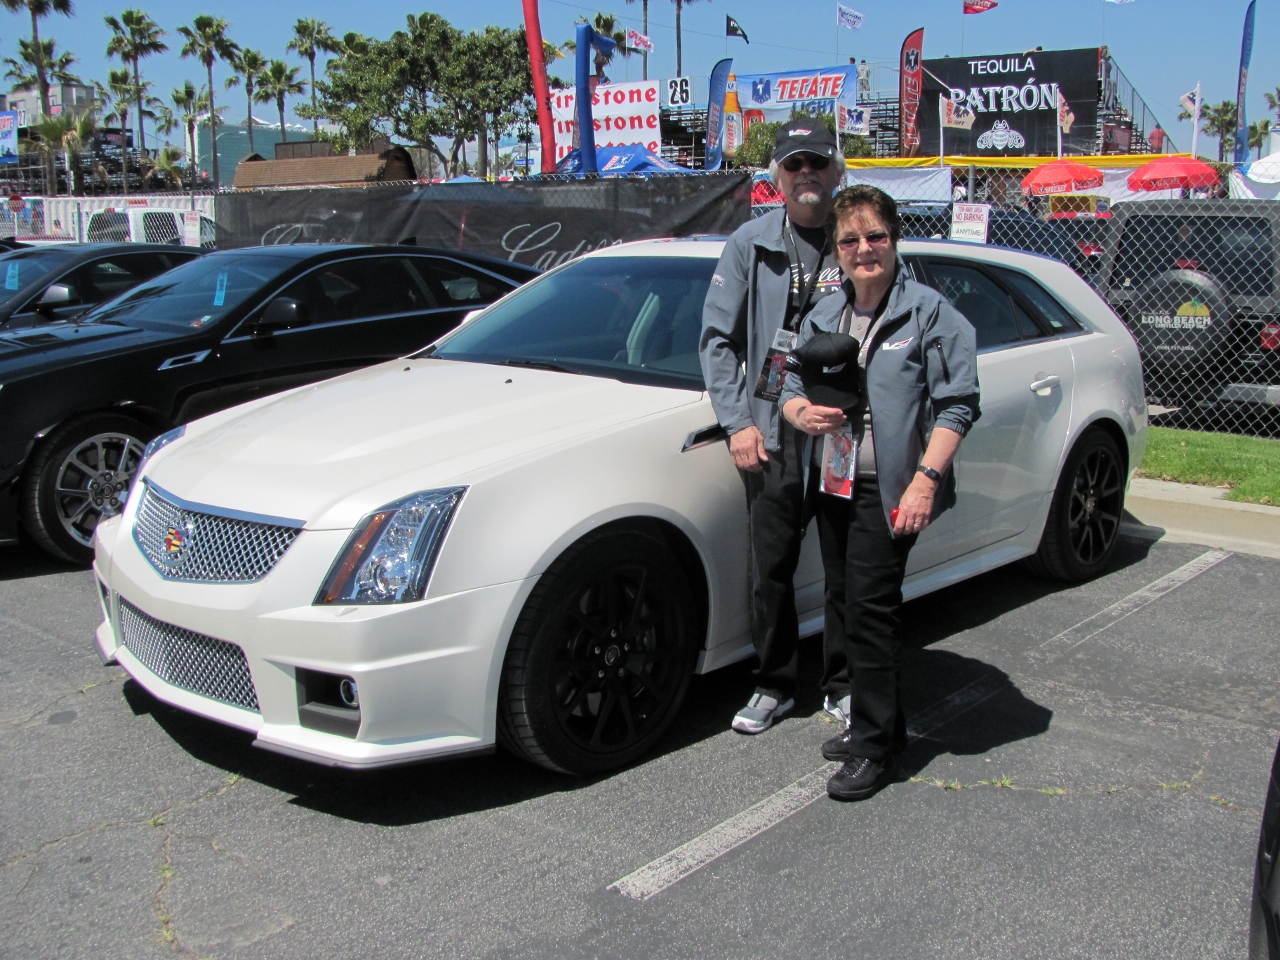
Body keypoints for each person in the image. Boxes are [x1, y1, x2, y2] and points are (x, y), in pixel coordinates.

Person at [779, 184, 980, 801]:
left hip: (890, 489)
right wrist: (797, 413)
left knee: (870, 612)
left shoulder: (928, 313)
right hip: (834, 482)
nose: (864, 249)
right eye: (850, 240)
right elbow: (783, 374)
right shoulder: (824, 312)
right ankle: (875, 721)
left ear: (894, 239)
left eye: (875, 236)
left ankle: (877, 749)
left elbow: (957, 405)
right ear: (836, 250)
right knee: (844, 603)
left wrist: (925, 481)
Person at [700, 120, 847, 735]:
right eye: (793, 164)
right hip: (774, 438)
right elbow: (716, 341)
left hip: (844, 438)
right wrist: (737, 423)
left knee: (846, 571)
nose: (805, 172)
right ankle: (774, 684)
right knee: (772, 570)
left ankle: (843, 686)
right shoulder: (750, 243)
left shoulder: (859, 238)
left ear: (836, 170)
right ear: (776, 177)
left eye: (816, 161)